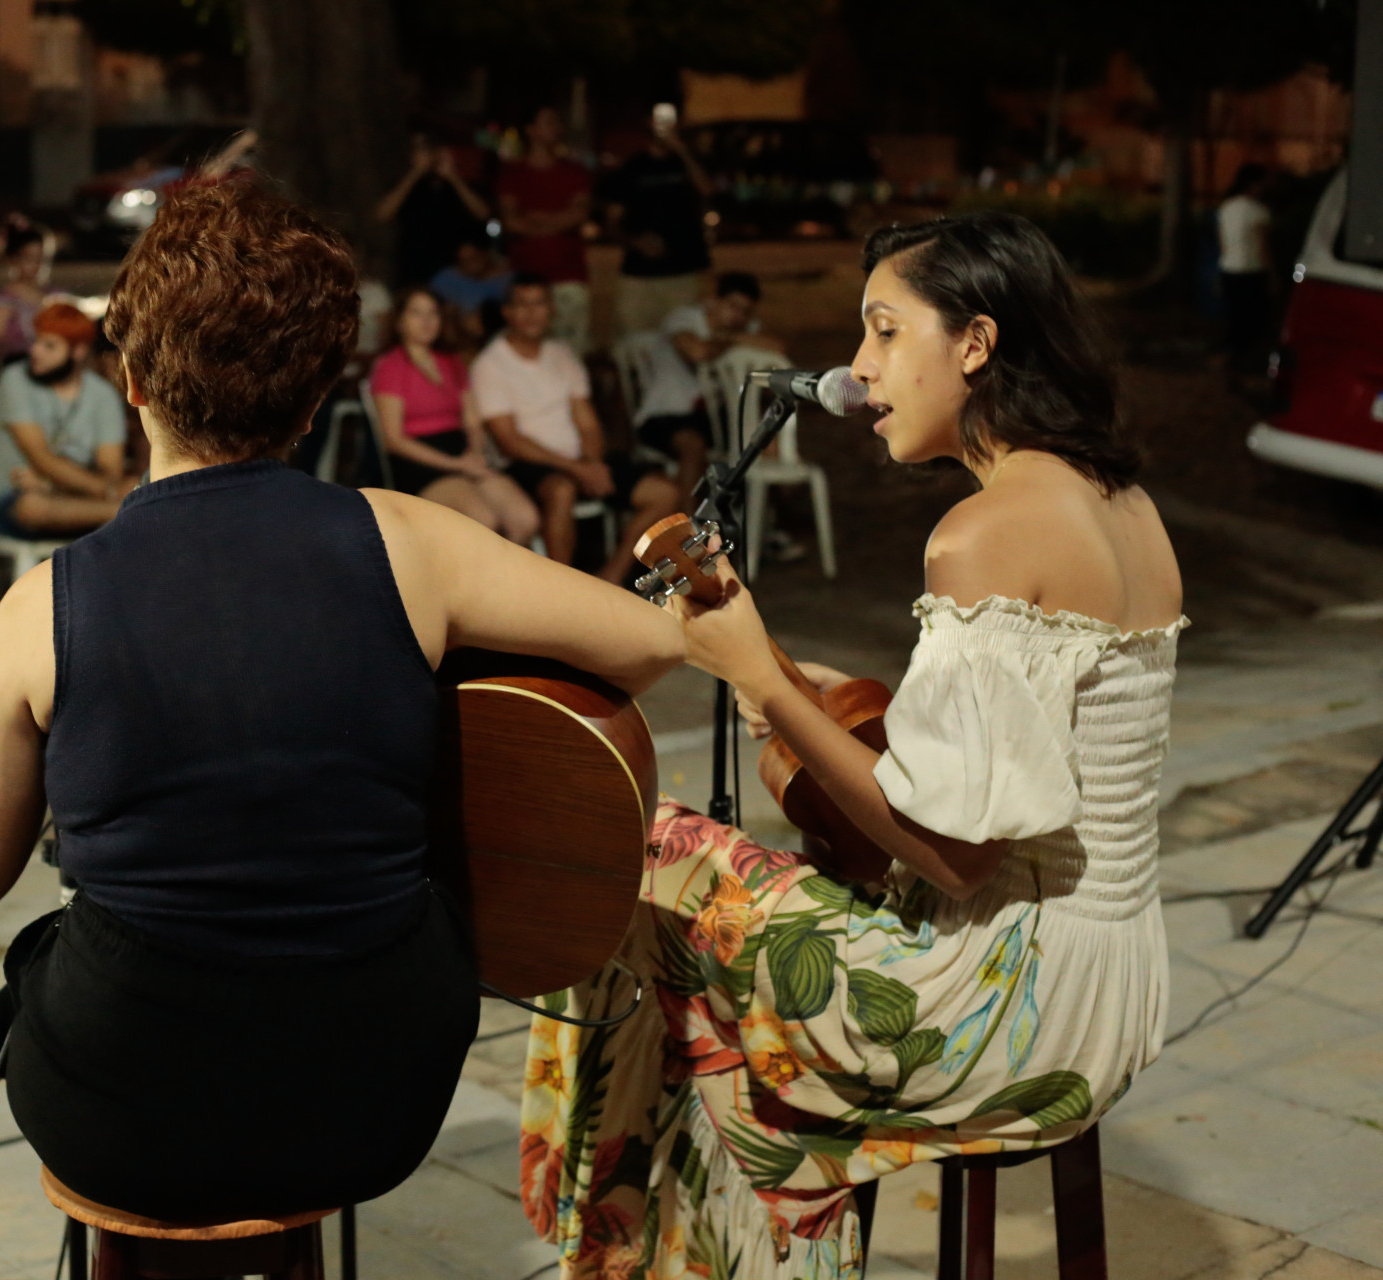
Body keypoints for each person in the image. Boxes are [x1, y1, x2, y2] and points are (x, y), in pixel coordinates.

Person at [0, 177, 685, 1226]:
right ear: (317, 397)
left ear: (130, 379)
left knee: (82, 931)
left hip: (129, 1113)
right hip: (377, 1097)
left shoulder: (40, 606)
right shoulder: (415, 544)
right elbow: (648, 643)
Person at [524, 211, 1187, 1280]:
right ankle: (680, 1228)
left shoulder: (981, 532)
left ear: (975, 344)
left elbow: (953, 855)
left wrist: (753, 678)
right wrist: (785, 674)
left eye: (884, 332)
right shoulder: (1119, 498)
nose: (859, 366)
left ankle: (612, 1239)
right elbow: (1001, 768)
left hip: (1002, 998)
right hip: (1106, 976)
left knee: (632, 850)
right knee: (705, 947)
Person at [473, 275, 677, 582]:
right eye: (522, 304)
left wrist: (592, 463)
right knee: (562, 490)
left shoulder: (562, 355)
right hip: (526, 464)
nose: (531, 312)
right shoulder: (490, 363)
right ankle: (560, 587)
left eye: (539, 303)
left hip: (579, 460)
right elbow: (508, 441)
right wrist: (578, 469)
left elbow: (587, 423)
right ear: (507, 312)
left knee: (665, 493)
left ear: (551, 310)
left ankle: (611, 577)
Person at [370, 287, 538, 545]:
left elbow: (472, 420)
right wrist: (457, 465)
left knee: (525, 518)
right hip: (419, 461)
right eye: (416, 313)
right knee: (483, 519)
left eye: (433, 313)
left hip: (461, 451)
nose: (426, 321)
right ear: (400, 321)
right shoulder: (391, 366)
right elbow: (393, 439)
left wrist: (475, 451)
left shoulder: (451, 362)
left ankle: (500, 583)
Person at [629, 271, 784, 509]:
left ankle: (764, 522)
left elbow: (777, 349)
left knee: (766, 435)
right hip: (664, 414)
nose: (738, 316)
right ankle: (686, 530)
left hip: (709, 415)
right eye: (733, 306)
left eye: (746, 311)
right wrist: (730, 339)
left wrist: (732, 337)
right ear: (713, 300)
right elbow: (697, 352)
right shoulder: (685, 319)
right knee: (693, 445)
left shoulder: (741, 329)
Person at [0, 302, 128, 538]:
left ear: (78, 351)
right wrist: (108, 491)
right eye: (36, 341)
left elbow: (112, 469)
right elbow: (41, 459)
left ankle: (120, 513)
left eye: (49, 346)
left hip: (79, 500)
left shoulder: (103, 394)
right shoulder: (15, 378)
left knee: (133, 485)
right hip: (13, 499)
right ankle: (122, 513)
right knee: (33, 506)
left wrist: (55, 485)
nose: (35, 351)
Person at [603, 106, 715, 337]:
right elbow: (612, 221)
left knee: (686, 339)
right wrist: (636, 242)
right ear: (649, 124)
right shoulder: (632, 167)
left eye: (672, 121)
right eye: (661, 121)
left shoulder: (689, 161)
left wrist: (682, 151)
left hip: (684, 271)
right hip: (639, 274)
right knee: (634, 341)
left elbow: (707, 189)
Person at [496, 108, 594, 352]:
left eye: (557, 122)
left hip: (569, 278)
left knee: (571, 352)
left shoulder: (574, 172)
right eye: (548, 122)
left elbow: (578, 215)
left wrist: (534, 221)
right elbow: (510, 222)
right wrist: (557, 220)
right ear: (530, 130)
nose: (556, 128)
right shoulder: (512, 174)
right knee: (528, 350)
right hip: (525, 281)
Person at [375, 131, 491, 287]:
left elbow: (483, 213)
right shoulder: (405, 185)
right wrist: (415, 173)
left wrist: (453, 177)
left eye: (431, 148)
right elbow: (382, 214)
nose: (429, 155)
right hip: (413, 266)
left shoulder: (457, 184)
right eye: (421, 149)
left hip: (453, 269)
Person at [1217, 163, 1274, 378]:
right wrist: (1272, 275)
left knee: (1235, 315)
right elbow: (1263, 246)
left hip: (1229, 268)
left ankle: (1233, 355)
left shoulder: (1227, 207)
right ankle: (1247, 359)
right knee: (1255, 316)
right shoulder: (1259, 211)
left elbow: (1222, 241)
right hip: (1252, 270)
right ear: (1254, 184)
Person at [0, 219, 48, 384]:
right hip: (17, 378)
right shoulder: (4, 302)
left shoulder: (54, 295)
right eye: (30, 259)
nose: (38, 266)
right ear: (13, 260)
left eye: (42, 259)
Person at [428, 234, 512, 351]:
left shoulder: (507, 280)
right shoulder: (445, 280)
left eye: (474, 258)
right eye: (464, 261)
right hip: (457, 345)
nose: (470, 265)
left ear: (486, 254)